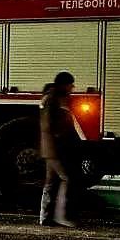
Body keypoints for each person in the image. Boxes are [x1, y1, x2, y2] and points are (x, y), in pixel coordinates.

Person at [40, 71, 80, 227]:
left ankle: (45, 217)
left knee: (50, 182)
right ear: (64, 84)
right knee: (66, 179)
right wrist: (61, 135)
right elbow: (48, 123)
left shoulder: (52, 97)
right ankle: (61, 216)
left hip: (50, 148)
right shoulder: (53, 99)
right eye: (70, 84)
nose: (72, 87)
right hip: (54, 148)